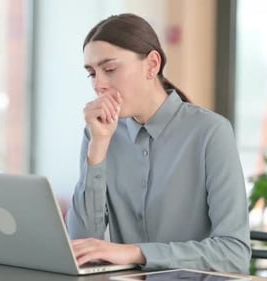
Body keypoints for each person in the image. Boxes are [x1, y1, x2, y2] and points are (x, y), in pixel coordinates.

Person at [65, 13, 251, 274]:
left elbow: (234, 254)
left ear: (152, 65)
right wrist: (97, 150)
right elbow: (81, 246)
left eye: (109, 70)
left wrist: (135, 252)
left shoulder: (211, 132)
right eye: (91, 74)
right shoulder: (99, 134)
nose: (99, 85)